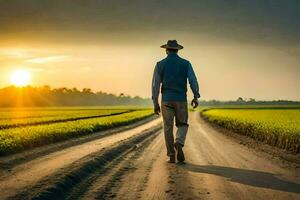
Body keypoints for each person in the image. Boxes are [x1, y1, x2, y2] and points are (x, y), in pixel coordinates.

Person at [151, 40, 200, 163]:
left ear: (166, 50)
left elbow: (155, 85)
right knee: (183, 124)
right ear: (177, 50)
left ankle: (171, 155)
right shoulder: (186, 64)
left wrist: (155, 103)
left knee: (168, 127)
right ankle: (178, 142)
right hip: (181, 99)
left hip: (166, 100)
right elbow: (193, 80)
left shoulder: (160, 64)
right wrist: (195, 96)